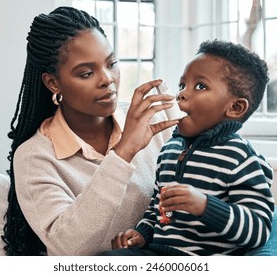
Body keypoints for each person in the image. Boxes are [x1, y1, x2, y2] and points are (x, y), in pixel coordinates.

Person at [2, 6, 179, 256]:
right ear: (53, 83)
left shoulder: (156, 117)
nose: (107, 79)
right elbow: (70, 248)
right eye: (86, 73)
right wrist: (123, 153)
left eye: (112, 63)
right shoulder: (34, 158)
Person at [99, 40, 275, 256]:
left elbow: (258, 229)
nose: (181, 94)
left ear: (235, 107)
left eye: (200, 86)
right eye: (182, 85)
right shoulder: (169, 150)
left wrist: (204, 205)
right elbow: (158, 209)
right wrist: (142, 233)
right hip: (159, 254)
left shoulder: (242, 158)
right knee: (107, 259)